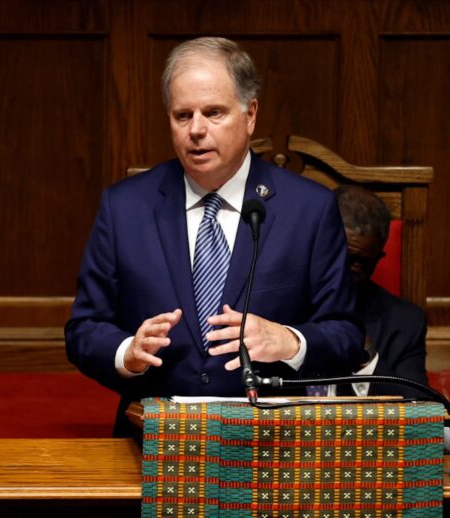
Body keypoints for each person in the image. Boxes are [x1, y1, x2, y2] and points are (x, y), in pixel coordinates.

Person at [64, 37, 365, 437]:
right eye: (182, 115)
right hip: (153, 444)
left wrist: (290, 341)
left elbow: (346, 334)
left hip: (271, 446)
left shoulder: (308, 209)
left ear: (250, 114)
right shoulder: (125, 207)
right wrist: (128, 353)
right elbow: (84, 329)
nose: (196, 130)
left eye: (213, 113)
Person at [332, 185, 428, 398]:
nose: (349, 271)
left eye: (361, 263)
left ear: (377, 260)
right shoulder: (273, 303)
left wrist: (365, 359)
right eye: (343, 257)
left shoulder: (405, 323)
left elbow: (418, 409)